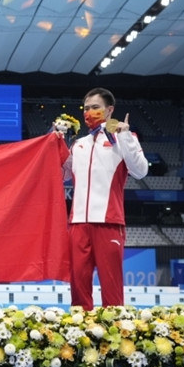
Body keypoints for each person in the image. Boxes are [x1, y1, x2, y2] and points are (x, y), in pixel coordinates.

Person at [57, 87, 148, 310]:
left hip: (109, 221)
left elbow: (140, 170)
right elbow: (59, 176)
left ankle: (115, 336)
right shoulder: (78, 145)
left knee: (111, 286)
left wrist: (125, 136)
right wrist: (56, 143)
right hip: (77, 224)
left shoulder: (124, 139)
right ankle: (79, 333)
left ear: (109, 110)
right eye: (86, 108)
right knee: (78, 285)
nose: (89, 112)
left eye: (95, 107)